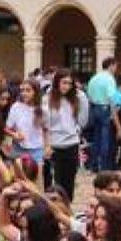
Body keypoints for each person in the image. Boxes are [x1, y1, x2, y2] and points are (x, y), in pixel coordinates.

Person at [45, 70, 88, 201]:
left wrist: (76, 130)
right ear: (57, 82)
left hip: (71, 144)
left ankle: (67, 209)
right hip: (54, 145)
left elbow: (83, 121)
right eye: (64, 82)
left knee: (69, 183)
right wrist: (46, 144)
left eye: (69, 83)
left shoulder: (77, 98)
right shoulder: (48, 98)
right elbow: (45, 124)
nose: (66, 86)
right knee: (55, 182)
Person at [85, 57, 119, 172]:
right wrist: (114, 115)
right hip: (105, 108)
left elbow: (88, 94)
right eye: (115, 66)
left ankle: (94, 165)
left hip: (94, 107)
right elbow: (111, 98)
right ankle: (104, 166)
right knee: (105, 139)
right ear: (111, 65)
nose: (116, 69)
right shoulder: (109, 79)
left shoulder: (94, 78)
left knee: (96, 138)